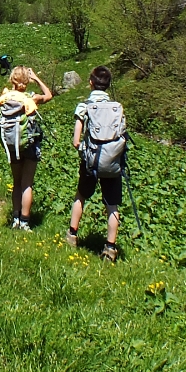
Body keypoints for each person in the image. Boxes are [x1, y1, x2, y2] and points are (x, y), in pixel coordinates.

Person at [68, 66, 126, 262]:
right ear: (108, 85)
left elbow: (76, 141)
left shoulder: (84, 106)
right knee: (112, 205)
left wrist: (86, 150)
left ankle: (72, 235)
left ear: (91, 83)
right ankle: (110, 248)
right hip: (112, 162)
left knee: (81, 196)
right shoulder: (117, 107)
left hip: (91, 161)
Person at [0, 66, 52, 230]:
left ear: (12, 80)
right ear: (27, 81)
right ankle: (25, 221)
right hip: (29, 144)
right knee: (27, 183)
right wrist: (37, 79)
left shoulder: (5, 97)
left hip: (12, 145)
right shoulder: (31, 98)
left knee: (17, 182)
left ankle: (15, 218)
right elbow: (48, 95)